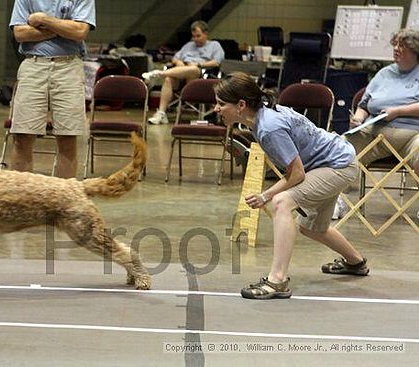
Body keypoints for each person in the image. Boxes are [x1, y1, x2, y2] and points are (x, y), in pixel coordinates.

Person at [214, 72, 369, 300]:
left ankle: (277, 281)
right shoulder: (262, 117)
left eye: (220, 104)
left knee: (281, 202)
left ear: (241, 105)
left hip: (338, 166)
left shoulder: (268, 128)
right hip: (330, 163)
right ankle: (356, 263)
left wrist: (265, 195)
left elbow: (296, 174)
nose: (216, 109)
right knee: (312, 228)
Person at [9, 0, 96, 177]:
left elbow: (80, 31)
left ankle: (63, 200)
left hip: (69, 66)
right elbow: (19, 33)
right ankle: (20, 199)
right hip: (33, 64)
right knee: (22, 137)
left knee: (67, 138)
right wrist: (62, 28)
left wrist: (43, 20)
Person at [345, 28, 419, 218]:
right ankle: (334, 202)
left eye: (402, 46)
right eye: (395, 44)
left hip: (412, 136)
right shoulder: (384, 73)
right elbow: (365, 104)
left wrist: (399, 112)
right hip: (374, 133)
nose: (396, 49)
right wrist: (358, 118)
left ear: (415, 50)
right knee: (339, 149)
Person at [143, 20, 225, 125]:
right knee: (168, 80)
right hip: (181, 74)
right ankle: (161, 113)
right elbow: (175, 58)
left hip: (199, 75)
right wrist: (179, 62)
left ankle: (159, 73)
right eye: (194, 36)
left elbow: (217, 62)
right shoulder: (189, 45)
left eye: (198, 36)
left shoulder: (214, 45)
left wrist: (199, 64)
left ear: (206, 34)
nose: (195, 39)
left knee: (193, 69)